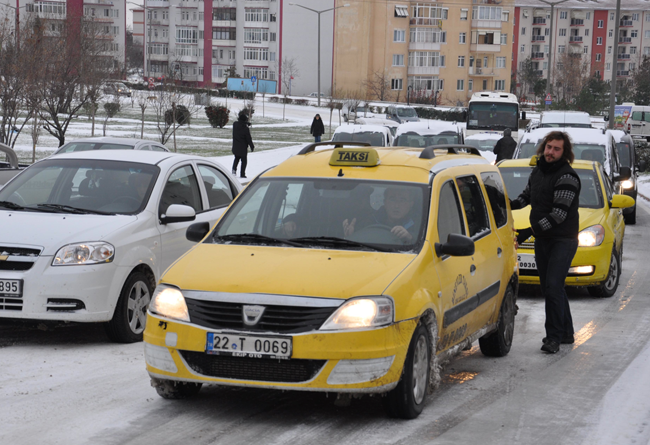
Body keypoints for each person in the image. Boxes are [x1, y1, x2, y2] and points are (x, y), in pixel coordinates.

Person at [510, 131, 581, 354]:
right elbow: (526, 197)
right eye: (549, 147)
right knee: (552, 287)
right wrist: (504, 203)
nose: (551, 152)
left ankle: (553, 337)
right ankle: (567, 332)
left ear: (564, 152)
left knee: (552, 287)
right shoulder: (538, 171)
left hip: (563, 239)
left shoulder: (567, 177)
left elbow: (558, 215)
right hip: (543, 239)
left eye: (556, 149)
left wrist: (527, 232)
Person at [343, 187, 416, 243]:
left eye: (402, 200)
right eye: (392, 199)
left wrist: (410, 238)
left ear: (411, 204)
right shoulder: (369, 221)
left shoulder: (422, 224)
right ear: (385, 202)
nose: (396, 205)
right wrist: (351, 237)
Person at [232, 111, 255, 179]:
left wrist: (246, 123)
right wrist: (251, 146)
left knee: (236, 158)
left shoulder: (235, 125)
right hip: (243, 147)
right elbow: (248, 138)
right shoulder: (245, 129)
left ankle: (234, 170)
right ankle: (242, 174)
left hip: (236, 146)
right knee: (244, 161)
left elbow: (239, 123)